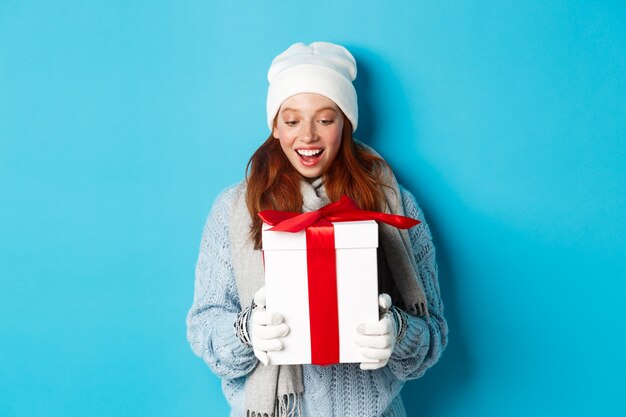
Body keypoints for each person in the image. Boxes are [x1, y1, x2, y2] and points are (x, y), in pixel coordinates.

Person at [186, 41, 448, 417]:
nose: (307, 136)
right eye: (292, 120)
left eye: (325, 119)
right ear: (275, 126)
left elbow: (433, 334)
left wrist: (398, 332)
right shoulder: (233, 209)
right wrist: (247, 331)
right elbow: (204, 327)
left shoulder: (394, 203)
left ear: (346, 124)